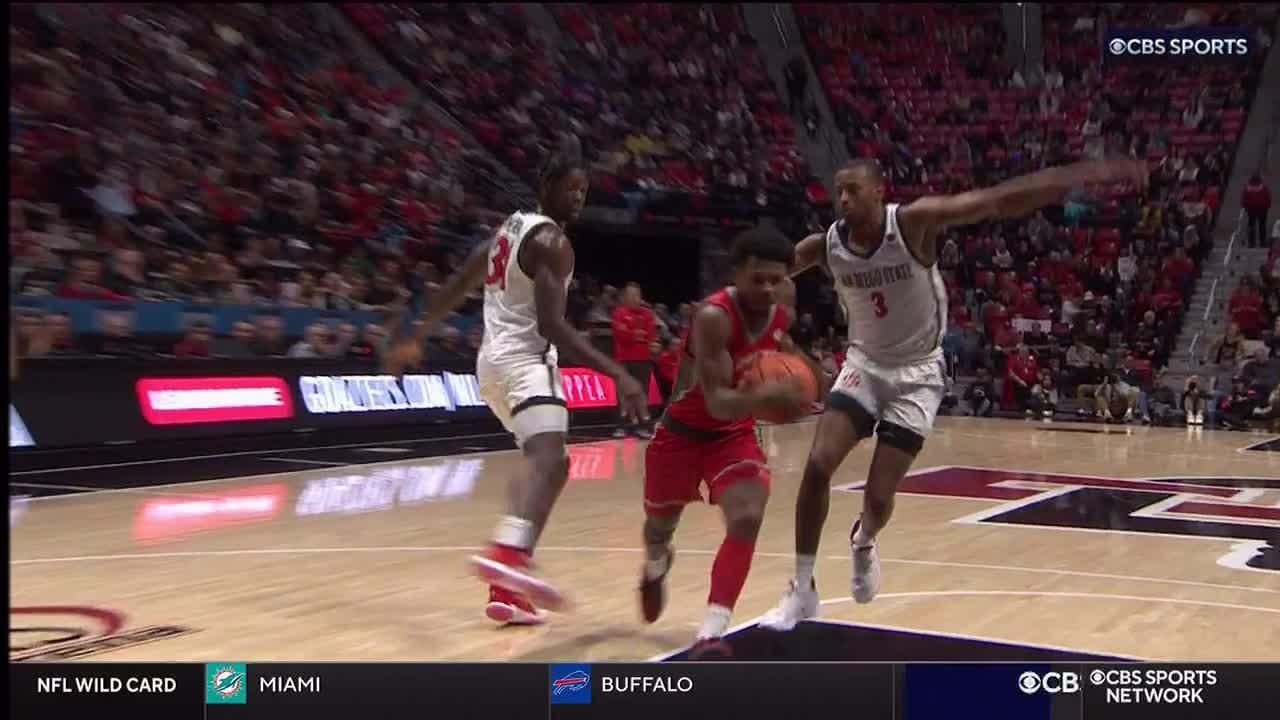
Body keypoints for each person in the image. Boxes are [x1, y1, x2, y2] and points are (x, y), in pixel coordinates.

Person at [762, 155, 1147, 630]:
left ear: (880, 191)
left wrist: (1080, 176)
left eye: (853, 189)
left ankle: (863, 539)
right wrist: (741, 307)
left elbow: (994, 201)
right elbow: (769, 272)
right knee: (819, 464)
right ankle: (802, 589)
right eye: (838, 191)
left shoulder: (912, 223)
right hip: (864, 363)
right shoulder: (827, 246)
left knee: (879, 500)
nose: (843, 199)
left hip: (918, 373)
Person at [383, 136, 649, 625]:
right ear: (545, 186)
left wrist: (418, 334)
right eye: (571, 189)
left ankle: (505, 589)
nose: (578, 199)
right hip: (526, 362)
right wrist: (618, 374)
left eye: (584, 191)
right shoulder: (553, 242)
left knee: (553, 463)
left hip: (490, 367)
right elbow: (552, 326)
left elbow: (458, 284)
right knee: (547, 457)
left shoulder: (505, 233)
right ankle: (508, 553)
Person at [637, 228, 811, 659]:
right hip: (682, 431)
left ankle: (711, 633)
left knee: (748, 515)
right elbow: (716, 401)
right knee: (659, 529)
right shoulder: (713, 317)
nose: (768, 288)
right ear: (737, 274)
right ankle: (656, 567)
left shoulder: (780, 314)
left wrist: (802, 380)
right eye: (759, 279)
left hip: (732, 436)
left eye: (776, 280)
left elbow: (787, 384)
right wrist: (768, 396)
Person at [611, 282, 657, 438]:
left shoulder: (648, 314)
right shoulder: (619, 313)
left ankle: (643, 426)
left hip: (643, 359)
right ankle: (622, 425)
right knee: (624, 394)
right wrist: (636, 334)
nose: (636, 298)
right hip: (623, 360)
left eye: (638, 295)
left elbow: (650, 335)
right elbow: (621, 334)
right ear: (624, 298)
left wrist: (633, 333)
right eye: (632, 295)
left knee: (641, 393)